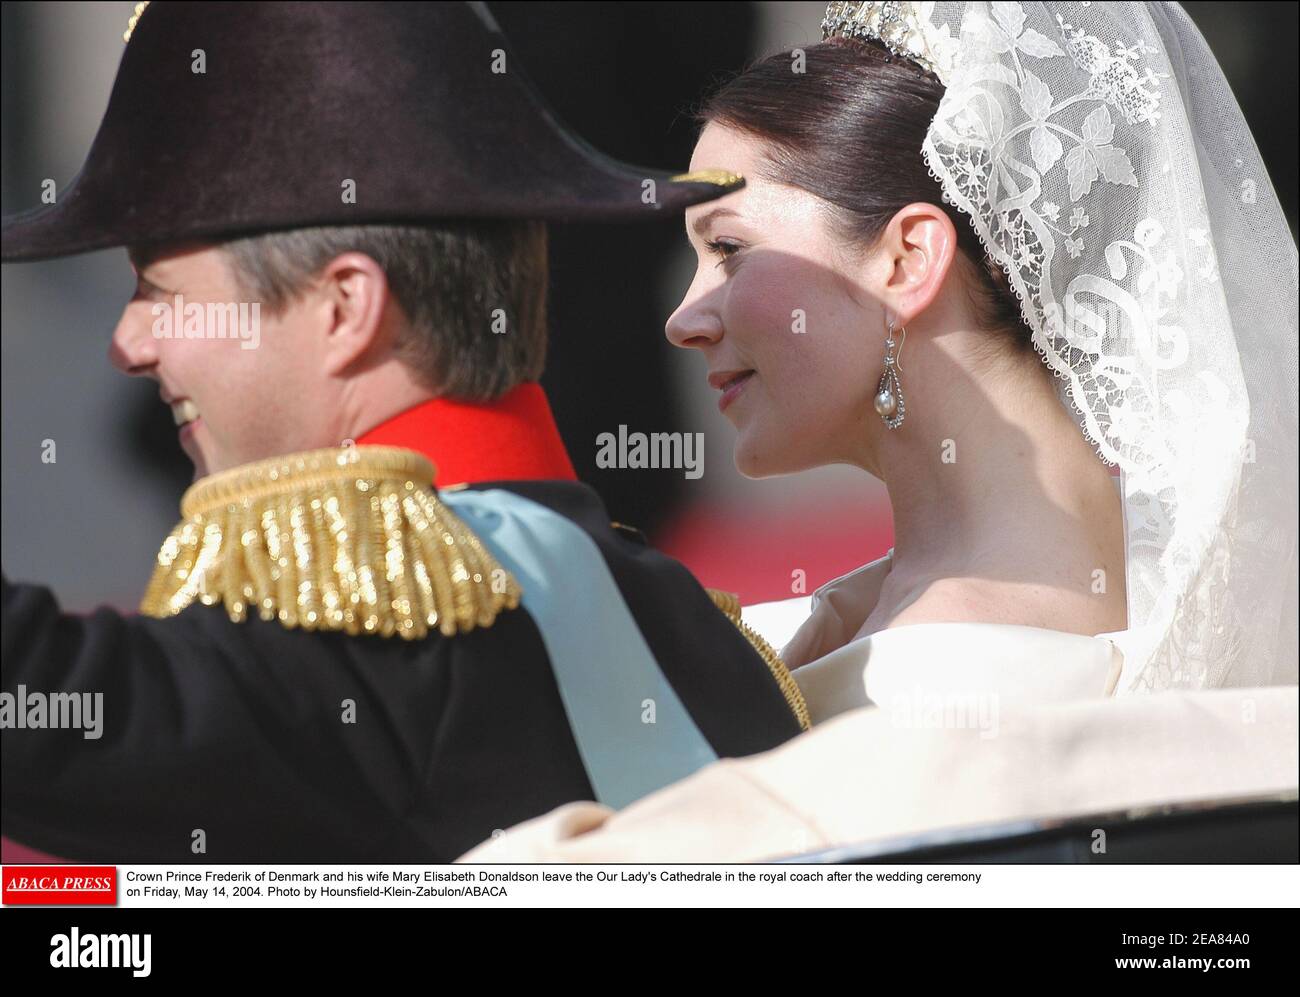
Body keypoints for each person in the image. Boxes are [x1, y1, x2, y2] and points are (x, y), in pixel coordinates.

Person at [459, 0, 1298, 862]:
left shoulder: (945, 683)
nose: (685, 319)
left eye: (731, 247)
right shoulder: (1164, 595)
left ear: (906, 261)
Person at [0, 1, 808, 864]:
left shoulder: (363, 635)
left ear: (346, 309)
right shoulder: (713, 646)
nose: (128, 344)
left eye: (160, 291)